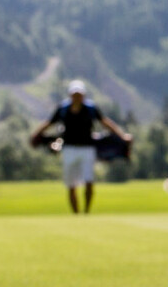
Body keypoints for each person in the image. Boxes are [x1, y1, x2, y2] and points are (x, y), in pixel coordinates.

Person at [31, 80, 130, 214]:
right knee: (71, 184)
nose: (77, 97)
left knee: (89, 181)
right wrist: (36, 134)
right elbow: (49, 123)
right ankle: (76, 213)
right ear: (70, 95)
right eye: (74, 94)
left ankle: (86, 211)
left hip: (87, 148)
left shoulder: (91, 109)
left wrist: (121, 135)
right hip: (69, 149)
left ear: (83, 95)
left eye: (79, 94)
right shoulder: (63, 109)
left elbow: (105, 122)